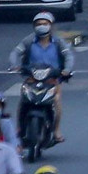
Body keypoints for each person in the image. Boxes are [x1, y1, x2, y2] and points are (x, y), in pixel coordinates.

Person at [7, 12, 74, 142]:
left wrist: (66, 70)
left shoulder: (58, 42)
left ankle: (56, 130)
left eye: (45, 24)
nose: (41, 26)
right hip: (32, 78)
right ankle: (20, 128)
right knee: (23, 101)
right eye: (38, 24)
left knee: (57, 102)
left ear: (51, 26)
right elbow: (15, 53)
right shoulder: (28, 40)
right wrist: (15, 65)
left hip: (52, 79)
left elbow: (68, 56)